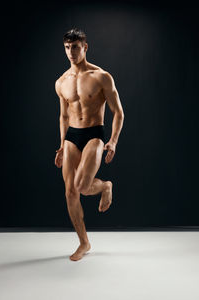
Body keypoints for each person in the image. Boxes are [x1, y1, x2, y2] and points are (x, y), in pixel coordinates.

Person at [54, 28, 124, 261]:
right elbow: (64, 117)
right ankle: (84, 243)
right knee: (70, 191)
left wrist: (112, 142)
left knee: (83, 186)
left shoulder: (102, 77)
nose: (71, 52)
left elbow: (119, 113)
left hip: (95, 134)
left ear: (85, 47)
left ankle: (105, 186)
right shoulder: (61, 82)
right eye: (67, 47)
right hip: (72, 136)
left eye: (75, 47)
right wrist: (62, 146)